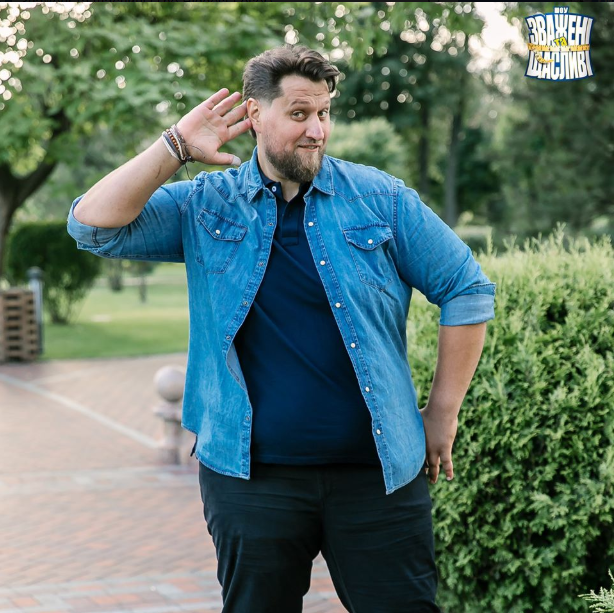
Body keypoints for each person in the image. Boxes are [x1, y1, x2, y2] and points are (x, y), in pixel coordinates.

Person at [67, 44, 495, 613]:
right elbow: (92, 227)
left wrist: (442, 413)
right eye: (298, 113)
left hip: (376, 478)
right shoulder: (206, 205)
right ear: (254, 114)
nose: (317, 130)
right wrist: (175, 147)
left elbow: (466, 289)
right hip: (250, 482)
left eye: (324, 113)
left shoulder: (382, 200)